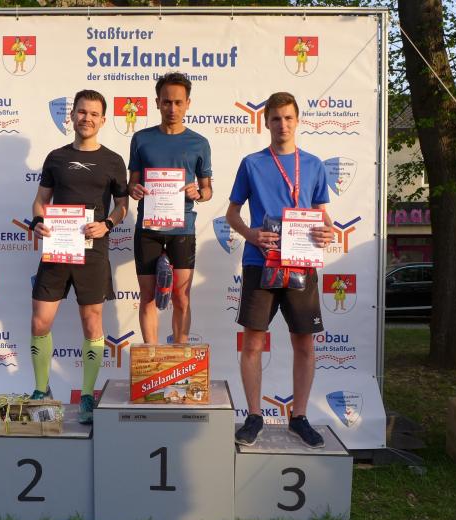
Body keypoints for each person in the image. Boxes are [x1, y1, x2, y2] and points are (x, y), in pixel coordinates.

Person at [226, 92, 334, 447]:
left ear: (297, 121)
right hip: (261, 262)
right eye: (275, 118)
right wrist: (250, 234)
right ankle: (254, 416)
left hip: (300, 263)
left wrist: (328, 231)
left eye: (288, 118)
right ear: (266, 122)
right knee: (253, 342)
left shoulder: (314, 164)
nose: (282, 125)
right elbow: (232, 214)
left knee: (303, 342)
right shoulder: (252, 163)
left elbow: (322, 215)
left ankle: (298, 417)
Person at [30, 89, 128, 424]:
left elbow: (123, 205)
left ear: (104, 120)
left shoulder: (113, 160)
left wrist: (107, 224)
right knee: (40, 321)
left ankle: (87, 395)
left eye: (94, 114)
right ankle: (41, 390)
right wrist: (39, 221)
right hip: (58, 249)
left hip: (93, 250)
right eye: (82, 112)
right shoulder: (56, 157)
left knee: (92, 323)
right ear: (72, 116)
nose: (87, 118)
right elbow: (40, 200)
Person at [128, 72, 213, 344]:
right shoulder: (141, 139)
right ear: (157, 103)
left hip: (182, 229)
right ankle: (151, 357)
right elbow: (132, 184)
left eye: (178, 102)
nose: (172, 108)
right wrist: (134, 190)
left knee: (181, 297)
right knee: (148, 297)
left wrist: (198, 193)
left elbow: (208, 190)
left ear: (188, 104)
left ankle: (181, 355)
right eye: (166, 102)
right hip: (148, 228)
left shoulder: (199, 143)